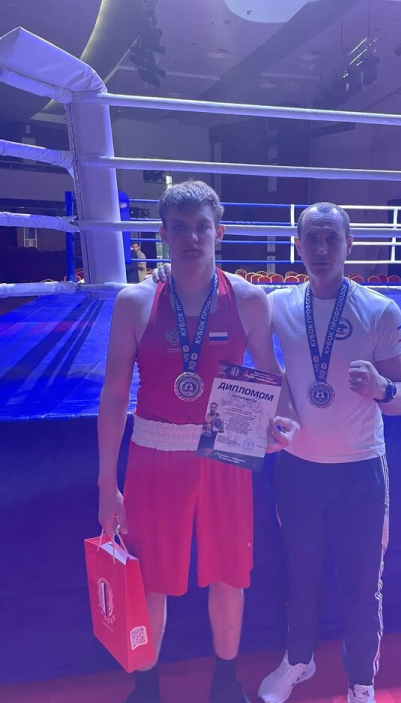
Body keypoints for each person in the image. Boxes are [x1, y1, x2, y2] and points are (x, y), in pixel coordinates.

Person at [97, 180, 299, 703]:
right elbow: (114, 395)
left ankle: (226, 681)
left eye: (201, 227)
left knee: (230, 575)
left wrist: (280, 425)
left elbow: (269, 374)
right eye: (180, 228)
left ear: (219, 233)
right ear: (163, 235)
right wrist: (105, 483)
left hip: (225, 453)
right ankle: (146, 686)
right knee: (150, 579)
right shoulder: (135, 302)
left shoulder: (249, 299)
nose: (192, 237)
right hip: (154, 456)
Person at [257, 202, 401, 703]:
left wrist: (382, 388)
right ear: (297, 245)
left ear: (349, 245)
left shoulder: (380, 311)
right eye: (312, 239)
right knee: (300, 575)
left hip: (359, 471)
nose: (321, 249)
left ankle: (361, 683)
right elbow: (226, 300)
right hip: (299, 469)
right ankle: (298, 661)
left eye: (331, 239)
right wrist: (163, 274)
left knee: (362, 586)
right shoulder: (277, 304)